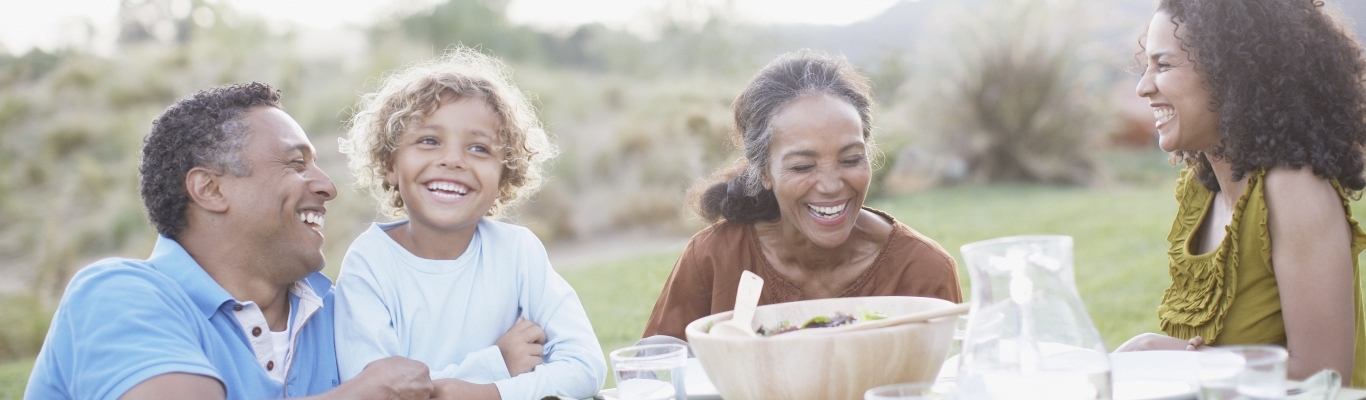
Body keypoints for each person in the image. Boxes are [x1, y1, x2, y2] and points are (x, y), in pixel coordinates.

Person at [24, 82, 434, 399]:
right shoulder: (119, 296)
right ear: (210, 189)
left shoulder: (346, 312)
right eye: (295, 164)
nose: (327, 186)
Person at [1117, 0, 1366, 386]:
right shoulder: (1201, 190)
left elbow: (1325, 378)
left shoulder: (1293, 191)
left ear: (1230, 74)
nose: (1143, 86)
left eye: (1163, 65)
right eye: (1146, 65)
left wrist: (1172, 360)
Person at [333, 47, 605, 400]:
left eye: (478, 149)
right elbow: (374, 394)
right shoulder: (369, 264)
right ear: (391, 163)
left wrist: (489, 392)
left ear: (504, 174)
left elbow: (585, 368)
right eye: (429, 141)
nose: (452, 160)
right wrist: (495, 365)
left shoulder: (518, 251)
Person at [641, 51, 963, 341]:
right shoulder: (714, 259)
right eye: (803, 166)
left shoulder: (923, 271)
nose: (831, 185)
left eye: (850, 159)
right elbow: (656, 372)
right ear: (765, 172)